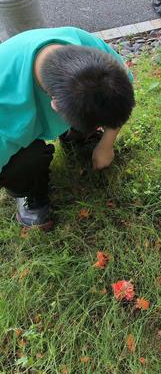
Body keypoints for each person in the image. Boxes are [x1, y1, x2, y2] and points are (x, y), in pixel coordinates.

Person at [0, 27, 135, 231]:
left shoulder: (89, 49)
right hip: (12, 119)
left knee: (98, 104)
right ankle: (30, 188)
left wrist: (106, 144)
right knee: (23, 162)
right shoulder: (7, 116)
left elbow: (124, 89)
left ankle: (75, 138)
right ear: (54, 106)